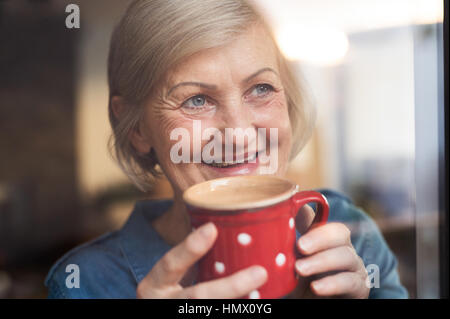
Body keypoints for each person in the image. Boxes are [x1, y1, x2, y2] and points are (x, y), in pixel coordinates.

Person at [45, 0, 408, 299]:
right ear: (138, 128)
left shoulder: (347, 232)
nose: (237, 135)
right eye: (197, 100)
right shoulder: (85, 283)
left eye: (261, 89)